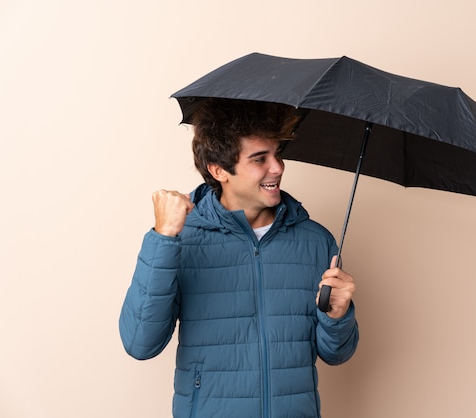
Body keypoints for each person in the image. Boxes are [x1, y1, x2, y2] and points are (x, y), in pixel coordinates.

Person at [119, 98, 359, 418]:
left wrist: (338, 315)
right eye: (260, 158)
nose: (277, 167)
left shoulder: (316, 241)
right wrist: (162, 238)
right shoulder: (181, 238)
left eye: (277, 154)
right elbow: (140, 343)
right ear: (219, 170)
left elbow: (337, 354)